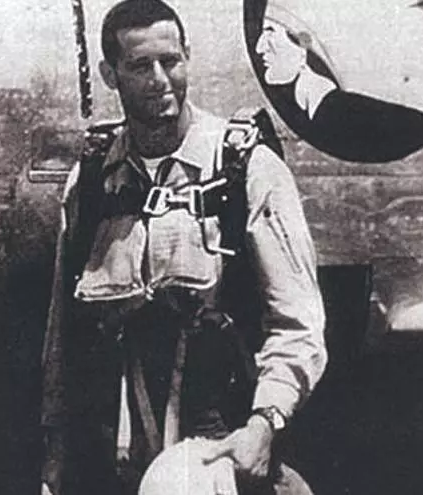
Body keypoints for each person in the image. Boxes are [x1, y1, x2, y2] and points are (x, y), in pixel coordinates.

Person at [40, 1, 327, 494]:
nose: (159, 80)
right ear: (110, 75)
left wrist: (263, 426)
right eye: (139, 66)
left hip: (220, 451)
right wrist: (56, 458)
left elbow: (298, 324)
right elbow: (62, 339)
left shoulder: (244, 169)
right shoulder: (91, 183)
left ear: (187, 57)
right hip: (116, 458)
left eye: (170, 61)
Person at [253, 2, 423, 163]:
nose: (259, 48)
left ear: (304, 43)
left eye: (270, 32)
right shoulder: (318, 110)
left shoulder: (356, 115)